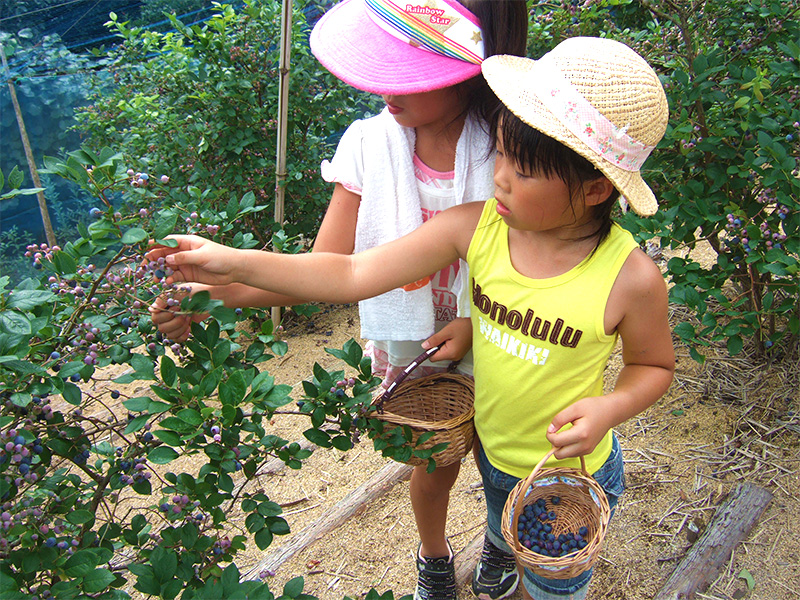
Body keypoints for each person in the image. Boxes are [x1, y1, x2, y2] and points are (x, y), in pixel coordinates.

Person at [148, 36, 676, 600]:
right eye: (499, 154)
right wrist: (231, 264)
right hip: (496, 459)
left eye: (521, 170)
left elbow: (653, 365)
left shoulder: (631, 278)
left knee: (550, 590)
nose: (498, 177)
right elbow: (350, 273)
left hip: (567, 477)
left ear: (595, 187)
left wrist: (610, 408)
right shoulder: (476, 228)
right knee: (511, 543)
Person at [150, 2, 528, 600]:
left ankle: (499, 545)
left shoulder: (513, 148)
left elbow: (539, 266)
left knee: (505, 460)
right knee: (434, 460)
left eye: (402, 72)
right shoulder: (368, 144)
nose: (376, 87)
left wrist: (476, 325)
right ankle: (435, 555)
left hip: (508, 336)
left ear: (463, 70)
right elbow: (328, 269)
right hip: (414, 344)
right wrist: (211, 296)